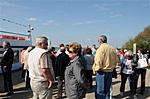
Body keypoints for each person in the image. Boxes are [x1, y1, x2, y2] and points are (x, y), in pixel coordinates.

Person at [92, 35, 118, 99]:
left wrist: (96, 69)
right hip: (110, 72)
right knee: (107, 91)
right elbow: (116, 61)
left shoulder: (100, 49)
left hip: (101, 72)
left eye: (98, 40)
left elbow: (98, 61)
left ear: (101, 40)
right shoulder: (112, 49)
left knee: (100, 92)